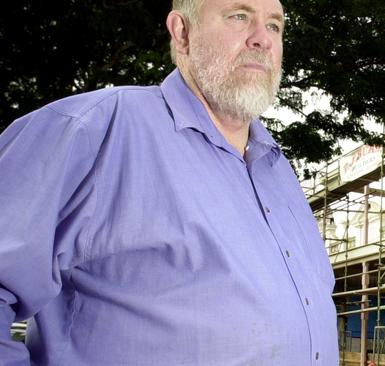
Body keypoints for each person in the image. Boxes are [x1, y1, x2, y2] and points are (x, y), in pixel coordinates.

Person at [0, 0, 338, 364]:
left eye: (274, 25)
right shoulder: (97, 128)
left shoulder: (278, 170)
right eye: (239, 17)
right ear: (182, 33)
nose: (262, 39)